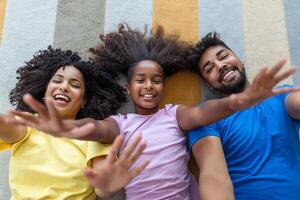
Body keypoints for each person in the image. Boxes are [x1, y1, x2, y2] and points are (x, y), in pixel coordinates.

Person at [9, 25, 298, 200]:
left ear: (164, 86)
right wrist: (66, 128)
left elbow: (204, 113)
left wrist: (238, 102)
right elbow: (94, 128)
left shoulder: (175, 114)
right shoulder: (120, 123)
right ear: (130, 87)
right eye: (140, 80)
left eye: (156, 80)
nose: (149, 86)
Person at [0, 46, 148, 199]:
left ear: (84, 101)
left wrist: (108, 185)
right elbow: (6, 126)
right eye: (57, 81)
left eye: (75, 85)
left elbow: (104, 187)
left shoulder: (92, 137)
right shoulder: (29, 124)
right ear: (44, 92)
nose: (64, 87)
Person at [187, 32, 300, 200]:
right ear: (208, 84)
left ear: (239, 59)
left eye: (224, 56)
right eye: (209, 68)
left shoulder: (281, 95)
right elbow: (214, 179)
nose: (220, 65)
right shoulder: (206, 119)